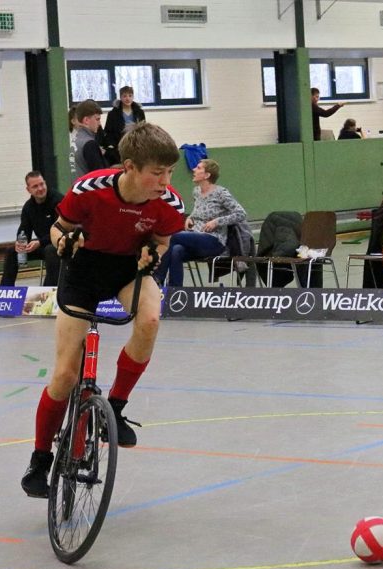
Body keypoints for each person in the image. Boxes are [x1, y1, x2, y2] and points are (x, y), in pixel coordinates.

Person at [21, 122, 186, 498]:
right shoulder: (89, 189)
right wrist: (64, 243)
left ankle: (114, 406)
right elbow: (57, 229)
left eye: (170, 172)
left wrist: (154, 254)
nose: (165, 181)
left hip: (128, 270)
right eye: (156, 173)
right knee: (64, 375)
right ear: (129, 167)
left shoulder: (169, 202)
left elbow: (163, 240)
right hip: (83, 271)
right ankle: (40, 459)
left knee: (150, 318)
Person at [155, 158, 246, 288]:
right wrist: (190, 217)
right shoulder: (196, 191)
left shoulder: (221, 193)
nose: (194, 170)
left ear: (207, 175)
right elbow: (198, 211)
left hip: (214, 241)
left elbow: (241, 213)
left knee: (172, 237)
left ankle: (157, 278)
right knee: (176, 250)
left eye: (198, 168)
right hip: (196, 237)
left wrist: (216, 222)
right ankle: (174, 290)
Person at [1, 172, 64, 287]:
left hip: (60, 245)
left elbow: (61, 230)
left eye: (42, 184)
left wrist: (40, 242)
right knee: (12, 252)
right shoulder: (28, 207)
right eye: (35, 186)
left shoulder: (58, 200)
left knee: (50, 250)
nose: (40, 188)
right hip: (41, 246)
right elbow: (24, 230)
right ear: (28, 190)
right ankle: (5, 292)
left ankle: (47, 293)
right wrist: (20, 243)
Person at [103, 85, 146, 165]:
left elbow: (143, 129)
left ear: (133, 97)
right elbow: (108, 131)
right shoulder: (113, 114)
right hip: (118, 146)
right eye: (124, 96)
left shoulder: (139, 112)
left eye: (130, 96)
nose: (127, 98)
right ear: (120, 97)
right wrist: (110, 146)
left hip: (135, 145)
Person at [69, 99, 108, 181]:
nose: (99, 123)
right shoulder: (89, 143)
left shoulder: (75, 140)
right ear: (86, 120)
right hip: (89, 191)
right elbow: (99, 177)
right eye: (97, 119)